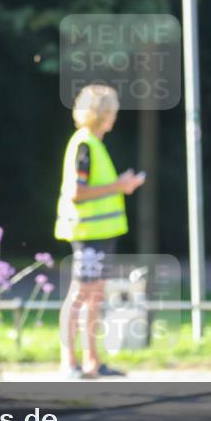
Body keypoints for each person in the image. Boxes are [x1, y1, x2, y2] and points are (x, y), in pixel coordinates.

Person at [54, 85, 145, 379]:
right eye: (111, 111)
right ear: (102, 114)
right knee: (81, 294)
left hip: (100, 233)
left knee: (94, 296)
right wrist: (119, 186)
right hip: (88, 233)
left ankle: (92, 361)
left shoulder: (93, 144)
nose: (114, 117)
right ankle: (68, 362)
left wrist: (119, 185)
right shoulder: (85, 146)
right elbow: (77, 192)